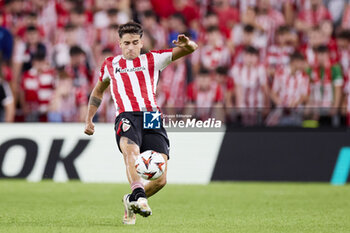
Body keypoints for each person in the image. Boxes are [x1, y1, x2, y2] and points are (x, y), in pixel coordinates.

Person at [83, 21, 198, 224]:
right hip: (126, 115)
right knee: (131, 152)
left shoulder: (153, 59)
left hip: (151, 116)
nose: (130, 47)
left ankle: (132, 199)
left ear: (141, 43)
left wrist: (186, 43)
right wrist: (89, 118)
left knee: (161, 179)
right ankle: (140, 197)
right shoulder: (111, 64)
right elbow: (98, 91)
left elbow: (191, 49)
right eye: (126, 43)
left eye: (135, 42)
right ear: (119, 43)